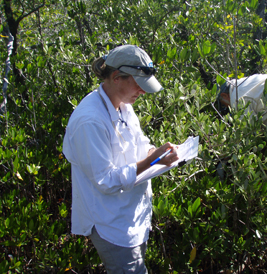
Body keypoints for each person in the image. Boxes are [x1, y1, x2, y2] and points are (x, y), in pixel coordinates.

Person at [62, 44, 178, 273]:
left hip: (132, 215)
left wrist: (158, 154)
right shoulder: (90, 121)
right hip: (111, 223)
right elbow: (105, 179)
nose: (143, 92)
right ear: (116, 77)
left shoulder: (124, 105)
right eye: (138, 84)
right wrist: (151, 161)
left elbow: (140, 144)